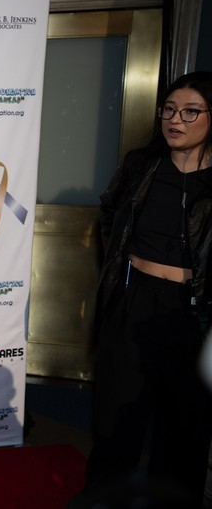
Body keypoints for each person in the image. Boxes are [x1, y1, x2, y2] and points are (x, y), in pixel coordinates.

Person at [79, 71, 212, 507]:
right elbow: (109, 213)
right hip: (133, 301)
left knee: (185, 429)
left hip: (195, 313)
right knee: (117, 423)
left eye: (190, 112)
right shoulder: (141, 165)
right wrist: (121, 266)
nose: (175, 119)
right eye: (169, 110)